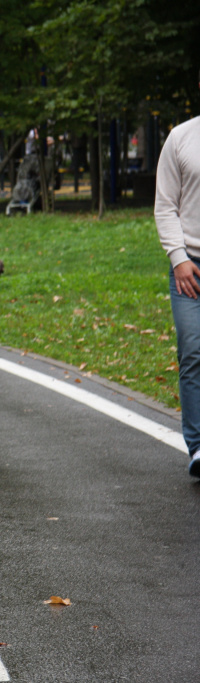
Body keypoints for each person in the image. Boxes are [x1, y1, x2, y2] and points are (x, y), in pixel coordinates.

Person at [155, 75, 200, 477]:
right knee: (193, 354)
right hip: (191, 269)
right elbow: (165, 205)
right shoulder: (182, 137)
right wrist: (178, 257)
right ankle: (199, 447)